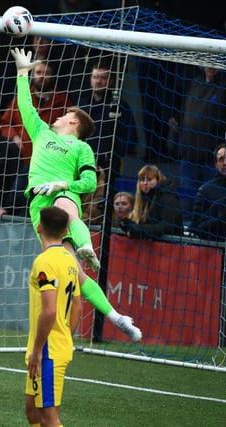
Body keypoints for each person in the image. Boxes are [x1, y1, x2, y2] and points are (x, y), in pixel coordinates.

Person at [10, 47, 142, 342]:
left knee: (66, 204)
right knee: (77, 276)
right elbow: (25, 105)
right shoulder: (42, 133)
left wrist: (62, 185)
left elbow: (90, 183)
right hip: (38, 204)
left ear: (74, 122)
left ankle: (87, 248)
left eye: (64, 114)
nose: (57, 116)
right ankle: (116, 317)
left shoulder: (82, 148)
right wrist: (22, 73)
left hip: (62, 197)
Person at [25, 206, 82, 427]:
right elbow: (77, 305)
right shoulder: (69, 260)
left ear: (39, 228)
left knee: (49, 418)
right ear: (66, 231)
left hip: (47, 352)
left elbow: (49, 310)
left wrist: (38, 350)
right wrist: (66, 336)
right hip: (57, 345)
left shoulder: (45, 261)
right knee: (32, 410)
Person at [168, 66, 226, 220]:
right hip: (188, 156)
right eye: (208, 61)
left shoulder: (223, 87)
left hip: (211, 159)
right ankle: (188, 230)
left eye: (214, 61)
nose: (211, 66)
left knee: (211, 201)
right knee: (187, 199)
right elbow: (184, 109)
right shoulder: (193, 83)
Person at [79, 60, 138, 191]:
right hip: (80, 164)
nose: (98, 81)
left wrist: (113, 155)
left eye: (103, 78)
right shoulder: (82, 106)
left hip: (109, 168)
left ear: (110, 81)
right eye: (95, 77)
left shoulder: (119, 107)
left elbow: (131, 137)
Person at [0, 59, 73, 163]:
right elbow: (4, 123)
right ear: (32, 75)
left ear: (53, 76)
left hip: (49, 159)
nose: (42, 76)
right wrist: (14, 136)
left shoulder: (63, 100)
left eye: (46, 73)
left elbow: (70, 130)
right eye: (38, 72)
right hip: (20, 158)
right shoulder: (21, 97)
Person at [119, 164, 183, 239]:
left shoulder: (168, 198)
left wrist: (138, 230)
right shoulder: (144, 198)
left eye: (149, 179)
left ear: (158, 180)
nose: (145, 183)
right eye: (142, 179)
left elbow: (167, 227)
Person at [191, 144, 226, 241]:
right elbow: (196, 227)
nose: (225, 163)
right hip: (216, 250)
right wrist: (221, 219)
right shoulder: (205, 190)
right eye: (221, 159)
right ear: (216, 165)